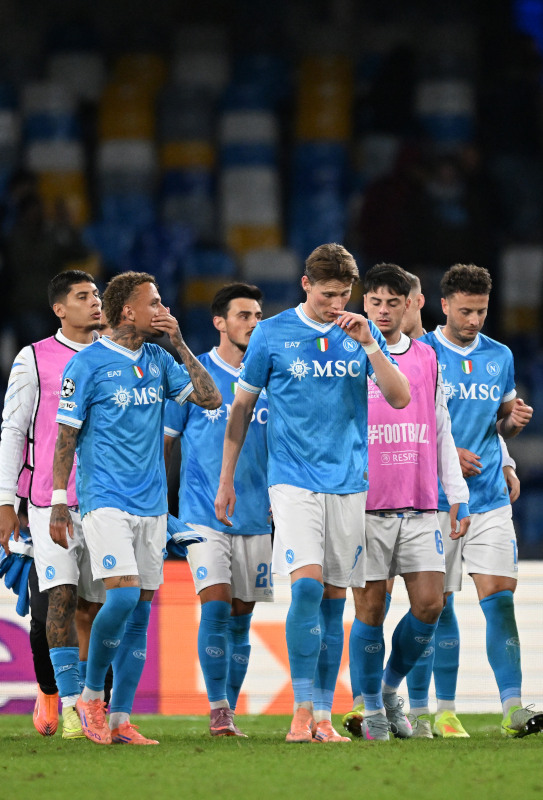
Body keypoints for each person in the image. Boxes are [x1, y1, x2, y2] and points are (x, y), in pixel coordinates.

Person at [215, 243, 412, 744]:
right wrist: (227, 480)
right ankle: (301, 709)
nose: (336, 303)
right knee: (304, 586)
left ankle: (323, 716)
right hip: (293, 481)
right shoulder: (272, 334)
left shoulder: (359, 334)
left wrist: (370, 344)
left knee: (331, 599)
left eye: (345, 294)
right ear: (306, 285)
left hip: (348, 483)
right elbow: (240, 411)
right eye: (327, 294)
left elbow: (400, 396)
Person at [344, 267, 522, 740]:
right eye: (374, 302)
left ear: (410, 305)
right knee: (371, 608)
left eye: (392, 303)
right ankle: (374, 711)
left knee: (428, 605)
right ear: (365, 306)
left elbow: (442, 428)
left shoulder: (426, 357)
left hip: (423, 502)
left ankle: (386, 689)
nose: (382, 311)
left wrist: (458, 496)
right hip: (366, 502)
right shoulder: (346, 355)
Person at [54, 271, 220, 745]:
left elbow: (210, 399)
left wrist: (181, 344)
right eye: (155, 302)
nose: (163, 308)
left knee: (141, 613)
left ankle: (121, 718)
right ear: (128, 311)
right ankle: (90, 697)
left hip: (152, 506)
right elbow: (65, 437)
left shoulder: (158, 360)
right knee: (122, 597)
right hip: (105, 500)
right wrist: (60, 501)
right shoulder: (87, 366)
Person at [410, 264, 543, 738]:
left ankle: (512, 707)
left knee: (500, 600)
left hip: (488, 498)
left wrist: (511, 430)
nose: (473, 320)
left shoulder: (500, 356)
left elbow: (496, 421)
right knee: (438, 607)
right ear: (443, 305)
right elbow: (405, 426)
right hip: (437, 501)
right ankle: (441, 711)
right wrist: (449, 454)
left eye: (481, 311)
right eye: (465, 311)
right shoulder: (421, 352)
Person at [0, 270, 108, 740]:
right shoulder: (34, 359)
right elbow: (13, 430)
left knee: (99, 612)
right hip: (47, 501)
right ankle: (54, 694)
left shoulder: (118, 354)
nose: (95, 302)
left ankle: (94, 705)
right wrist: (6, 499)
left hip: (108, 502)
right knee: (51, 607)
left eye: (97, 294)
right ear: (59, 308)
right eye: (83, 296)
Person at [163, 283, 271, 737]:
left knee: (243, 614)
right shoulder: (194, 376)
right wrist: (162, 511)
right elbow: (164, 447)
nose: (253, 323)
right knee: (217, 606)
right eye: (243, 315)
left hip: (257, 517)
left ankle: (230, 711)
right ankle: (219, 708)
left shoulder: (271, 378)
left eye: (258, 315)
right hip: (201, 516)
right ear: (219, 322)